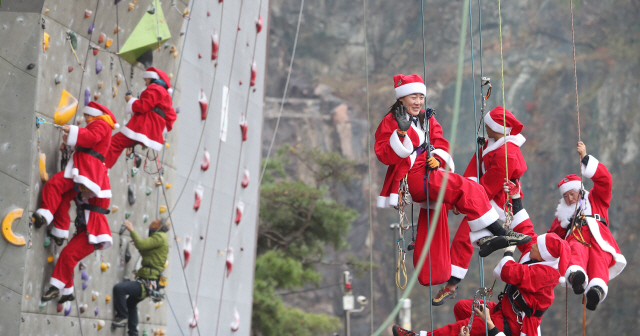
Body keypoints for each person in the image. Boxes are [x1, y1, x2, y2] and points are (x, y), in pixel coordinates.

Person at [374, 73, 531, 269]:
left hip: (429, 172)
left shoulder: (425, 119)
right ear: (401, 98)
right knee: (465, 187)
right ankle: (498, 232)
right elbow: (384, 155)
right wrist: (401, 133)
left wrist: (438, 159)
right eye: (413, 97)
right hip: (413, 176)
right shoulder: (392, 121)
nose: (418, 102)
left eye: (421, 97)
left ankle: (483, 239)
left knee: (470, 192)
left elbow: (440, 142)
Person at [393, 226, 570, 336]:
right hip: (504, 309)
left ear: (544, 254)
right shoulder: (538, 261)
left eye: (536, 246)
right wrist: (515, 199)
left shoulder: (544, 274)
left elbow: (508, 271)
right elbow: (526, 228)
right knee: (461, 307)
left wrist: (508, 252)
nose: (531, 245)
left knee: (468, 325)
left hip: (512, 324)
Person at [433, 107, 528, 306]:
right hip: (485, 194)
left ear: (498, 128)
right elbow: (476, 168)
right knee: (462, 228)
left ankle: (452, 284)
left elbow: (490, 186)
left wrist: (465, 201)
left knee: (463, 237)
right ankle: (488, 239)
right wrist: (461, 198)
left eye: (488, 125)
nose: (485, 127)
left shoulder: (507, 154)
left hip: (497, 200)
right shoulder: (491, 144)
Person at [37, 102, 117, 302]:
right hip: (87, 229)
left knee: (68, 256)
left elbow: (91, 139)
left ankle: (45, 217)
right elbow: (90, 144)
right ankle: (68, 291)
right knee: (64, 200)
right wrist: (71, 140)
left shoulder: (100, 125)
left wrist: (74, 131)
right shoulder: (92, 190)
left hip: (91, 233)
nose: (87, 118)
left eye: (87, 115)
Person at [547, 141, 626, 311]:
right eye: (566, 196)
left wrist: (585, 158)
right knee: (575, 248)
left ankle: (596, 290)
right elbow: (552, 237)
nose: (569, 199)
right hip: (576, 236)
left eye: (572, 193)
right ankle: (577, 276)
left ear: (580, 190)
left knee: (600, 257)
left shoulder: (596, 199)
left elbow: (606, 181)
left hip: (598, 235)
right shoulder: (562, 216)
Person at [104, 67, 177, 168]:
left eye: (146, 80)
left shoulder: (155, 88)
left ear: (152, 78)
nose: (145, 83)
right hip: (150, 133)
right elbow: (172, 116)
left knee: (115, 143)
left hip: (142, 128)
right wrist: (157, 131)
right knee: (119, 144)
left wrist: (131, 100)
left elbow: (144, 106)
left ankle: (102, 165)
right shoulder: (166, 97)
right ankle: (104, 167)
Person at [112, 218, 170, 335]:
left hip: (147, 282)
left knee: (119, 289)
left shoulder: (160, 237)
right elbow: (147, 252)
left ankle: (122, 315)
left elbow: (142, 245)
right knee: (131, 303)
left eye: (156, 220)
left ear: (158, 225)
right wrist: (138, 244)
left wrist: (131, 230)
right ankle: (133, 332)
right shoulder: (160, 238)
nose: (152, 221)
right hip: (150, 282)